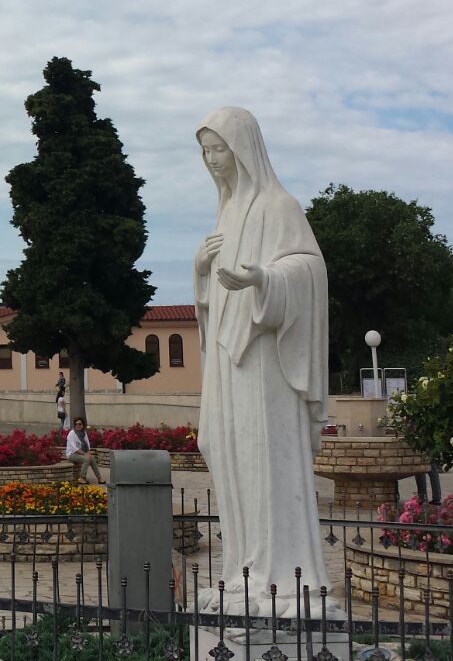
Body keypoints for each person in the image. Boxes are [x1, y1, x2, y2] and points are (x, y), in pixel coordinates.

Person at [193, 107, 332, 615]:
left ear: (244, 148)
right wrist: (201, 270)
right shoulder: (226, 212)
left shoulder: (280, 206)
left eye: (218, 149)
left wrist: (264, 281)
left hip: (265, 361)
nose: (211, 161)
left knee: (264, 461)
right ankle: (242, 573)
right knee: (228, 453)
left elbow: (308, 269)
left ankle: (283, 578)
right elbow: (209, 296)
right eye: (205, 151)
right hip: (229, 363)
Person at [64, 416, 104, 484]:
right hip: (72, 454)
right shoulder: (72, 434)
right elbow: (74, 448)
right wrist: (84, 453)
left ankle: (99, 478)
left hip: (81, 453)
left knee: (91, 458)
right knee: (87, 458)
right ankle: (82, 478)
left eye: (80, 424)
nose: (78, 425)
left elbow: (87, 444)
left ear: (83, 425)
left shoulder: (84, 433)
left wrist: (88, 452)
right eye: (76, 424)